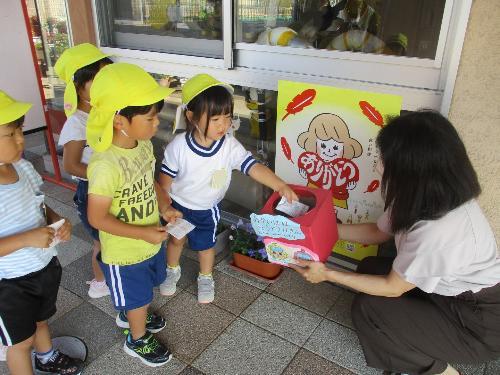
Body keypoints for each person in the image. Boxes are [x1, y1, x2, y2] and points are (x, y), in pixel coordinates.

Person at [291, 111, 500, 375]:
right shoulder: (421, 194)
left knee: (369, 309)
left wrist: (327, 274)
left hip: (477, 321)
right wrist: (316, 229)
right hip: (447, 294)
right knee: (369, 267)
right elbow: (377, 233)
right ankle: (409, 339)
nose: (377, 166)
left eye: (382, 160)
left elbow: (392, 288)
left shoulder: (438, 230)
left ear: (409, 169)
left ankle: (442, 371)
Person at [158, 73, 298, 303]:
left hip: (207, 209)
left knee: (206, 246)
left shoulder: (229, 145)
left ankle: (205, 277)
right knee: (176, 241)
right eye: (215, 119)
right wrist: (165, 208)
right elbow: (164, 184)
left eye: (227, 117)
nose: (224, 125)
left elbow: (252, 167)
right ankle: (172, 270)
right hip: (178, 206)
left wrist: (279, 185)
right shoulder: (178, 147)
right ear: (191, 116)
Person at [85, 63, 181, 367]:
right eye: (149, 117)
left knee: (143, 290)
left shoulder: (142, 146)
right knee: (137, 293)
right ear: (119, 120)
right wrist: (142, 232)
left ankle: (132, 312)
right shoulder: (105, 166)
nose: (156, 123)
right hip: (125, 250)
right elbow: (96, 218)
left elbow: (148, 181)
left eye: (156, 115)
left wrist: (164, 207)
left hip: (149, 240)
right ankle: (136, 340)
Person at [0, 90, 84, 374]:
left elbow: (39, 202)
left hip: (43, 265)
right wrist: (27, 239)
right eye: (10, 134)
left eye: (20, 130)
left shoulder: (22, 167)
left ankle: (46, 357)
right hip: (9, 284)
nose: (21, 139)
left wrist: (58, 219)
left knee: (41, 320)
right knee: (19, 343)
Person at [55, 43, 113, 299]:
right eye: (98, 79)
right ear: (79, 86)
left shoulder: (104, 112)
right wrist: (107, 175)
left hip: (111, 185)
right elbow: (71, 165)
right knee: (102, 240)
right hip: (91, 190)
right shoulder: (77, 123)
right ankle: (100, 282)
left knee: (111, 236)